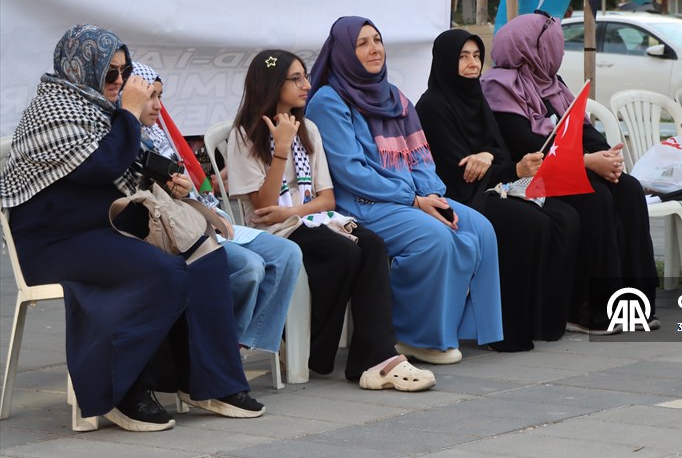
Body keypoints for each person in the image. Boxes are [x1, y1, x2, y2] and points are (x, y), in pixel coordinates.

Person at [0, 25, 262, 432]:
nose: (119, 82)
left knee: (205, 255)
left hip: (105, 232)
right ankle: (121, 391)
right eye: (110, 74)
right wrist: (130, 113)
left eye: (122, 73)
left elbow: (128, 162)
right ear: (79, 68)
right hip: (52, 244)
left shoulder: (98, 109)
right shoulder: (51, 112)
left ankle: (209, 383)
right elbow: (103, 166)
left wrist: (168, 179)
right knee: (160, 270)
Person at [227, 50, 435, 391]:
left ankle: (376, 358)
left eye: (305, 76)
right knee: (344, 252)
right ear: (271, 84)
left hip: (310, 218)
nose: (306, 85)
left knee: (372, 244)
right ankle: (312, 349)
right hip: (273, 232)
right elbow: (264, 208)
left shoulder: (307, 128)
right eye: (296, 79)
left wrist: (293, 210)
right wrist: (281, 148)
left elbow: (327, 198)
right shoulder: (243, 135)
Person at [305, 17, 503, 365]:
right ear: (343, 52)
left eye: (377, 40)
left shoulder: (395, 97)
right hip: (362, 204)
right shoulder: (328, 100)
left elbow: (421, 158)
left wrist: (432, 196)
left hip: (410, 199)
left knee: (480, 229)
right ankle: (413, 336)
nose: (374, 48)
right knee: (436, 239)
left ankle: (465, 328)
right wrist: (412, 200)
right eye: (362, 43)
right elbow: (350, 172)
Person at [480, 12, 659, 333]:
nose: (559, 52)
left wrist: (606, 155)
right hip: (527, 175)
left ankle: (636, 303)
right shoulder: (498, 86)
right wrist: (589, 162)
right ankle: (590, 307)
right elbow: (527, 142)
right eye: (553, 44)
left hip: (567, 165)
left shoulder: (552, 84)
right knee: (596, 196)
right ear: (532, 48)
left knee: (628, 189)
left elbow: (582, 128)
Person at [416, 29, 578, 351]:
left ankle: (543, 322)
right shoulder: (432, 106)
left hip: (495, 185)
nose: (472, 63)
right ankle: (505, 329)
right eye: (463, 56)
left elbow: (499, 150)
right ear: (446, 61)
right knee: (529, 223)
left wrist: (489, 157)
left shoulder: (476, 98)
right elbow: (458, 170)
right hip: (461, 196)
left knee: (565, 216)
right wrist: (507, 167)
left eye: (476, 56)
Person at [131, 63, 303, 359]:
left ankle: (237, 346)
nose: (159, 106)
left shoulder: (161, 137)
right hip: (176, 232)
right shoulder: (126, 139)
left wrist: (213, 211)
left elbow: (198, 193)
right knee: (249, 267)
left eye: (160, 96)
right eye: (150, 97)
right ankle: (220, 353)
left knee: (289, 253)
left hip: (206, 221)